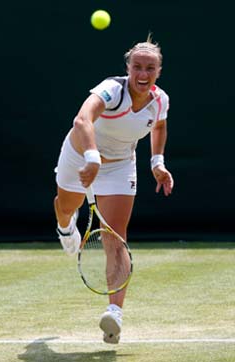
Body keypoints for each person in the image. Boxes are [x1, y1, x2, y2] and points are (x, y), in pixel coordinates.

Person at [54, 34, 174, 344]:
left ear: (159, 71)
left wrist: (157, 163)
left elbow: (158, 126)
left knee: (115, 236)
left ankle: (114, 313)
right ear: (128, 67)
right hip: (80, 153)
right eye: (137, 67)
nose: (143, 74)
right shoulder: (111, 90)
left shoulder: (160, 100)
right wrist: (92, 158)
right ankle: (66, 227)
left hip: (121, 165)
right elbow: (82, 120)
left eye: (150, 68)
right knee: (66, 206)